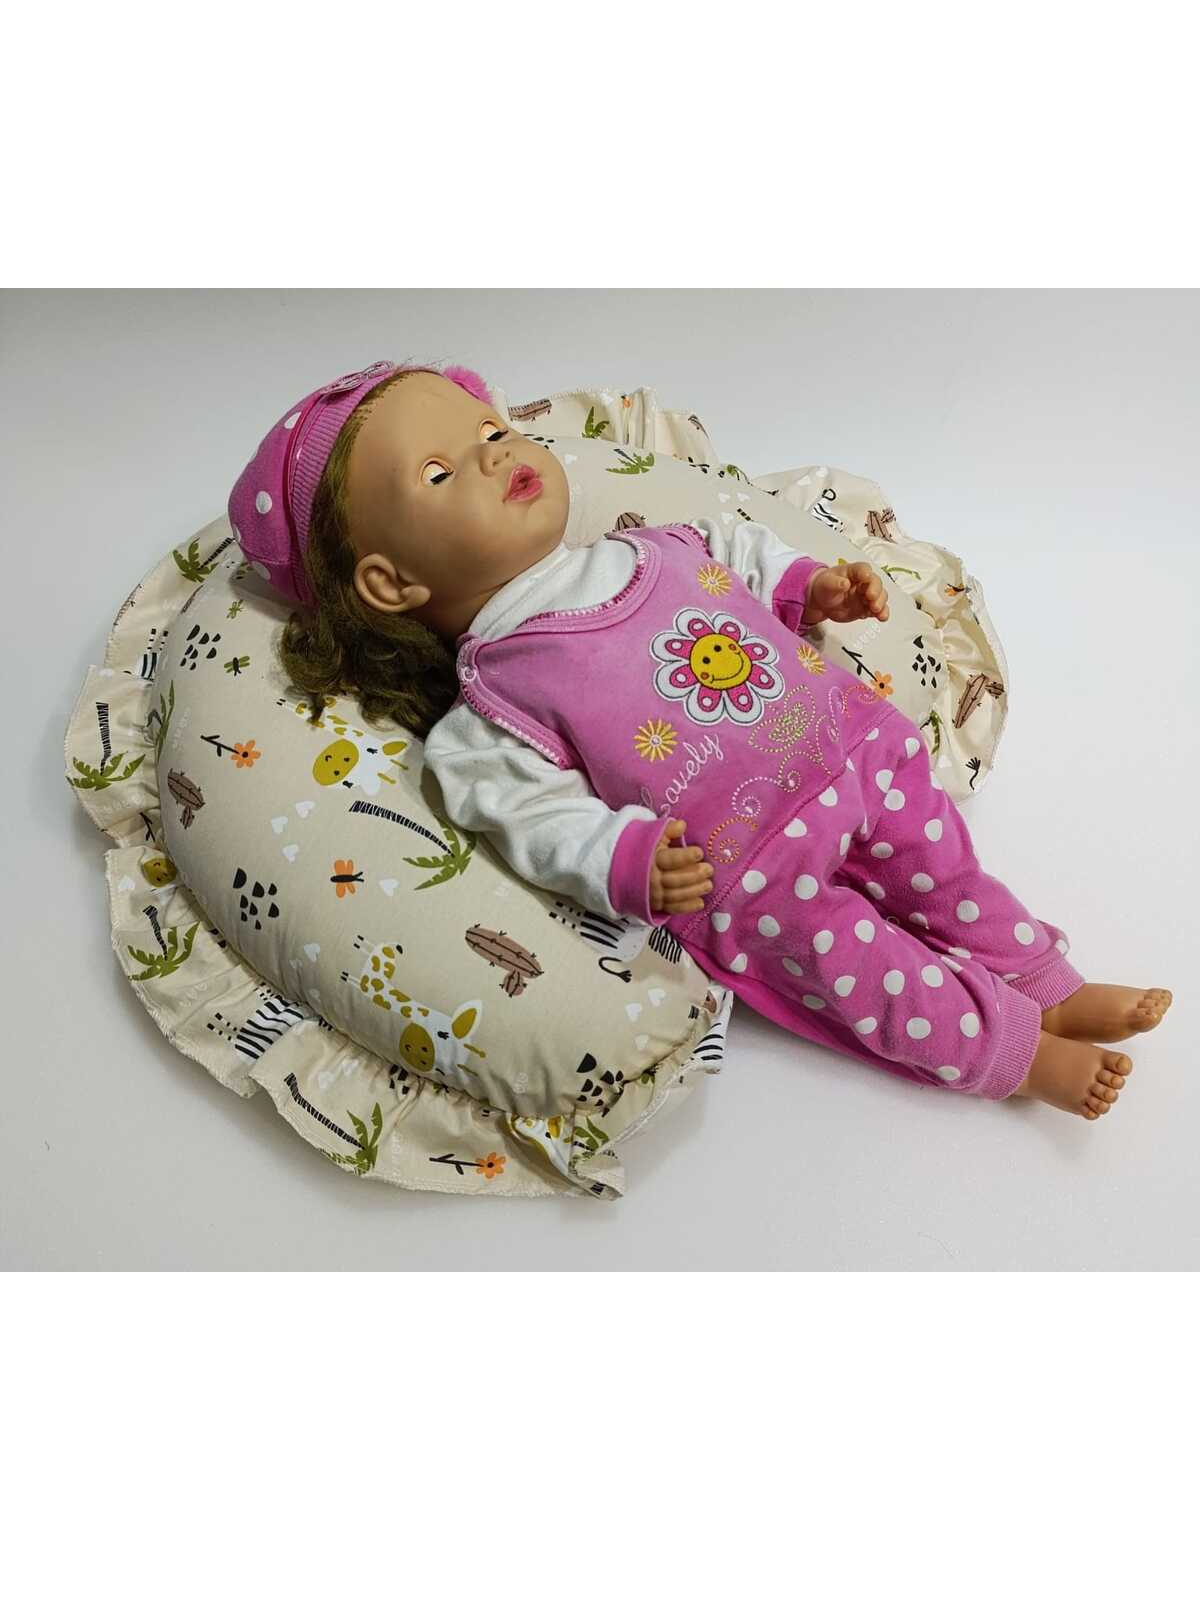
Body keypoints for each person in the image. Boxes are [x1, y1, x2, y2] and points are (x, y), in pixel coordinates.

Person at [229, 359, 1172, 1121]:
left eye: (490, 430)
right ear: (392, 585)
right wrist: (624, 859)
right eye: (440, 473)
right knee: (864, 972)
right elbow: (528, 813)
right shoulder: (495, 698)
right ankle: (1015, 1053)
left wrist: (813, 586)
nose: (492, 455)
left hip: (853, 752)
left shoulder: (655, 547)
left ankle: (1048, 979)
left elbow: (740, 557)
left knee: (950, 875)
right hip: (752, 867)